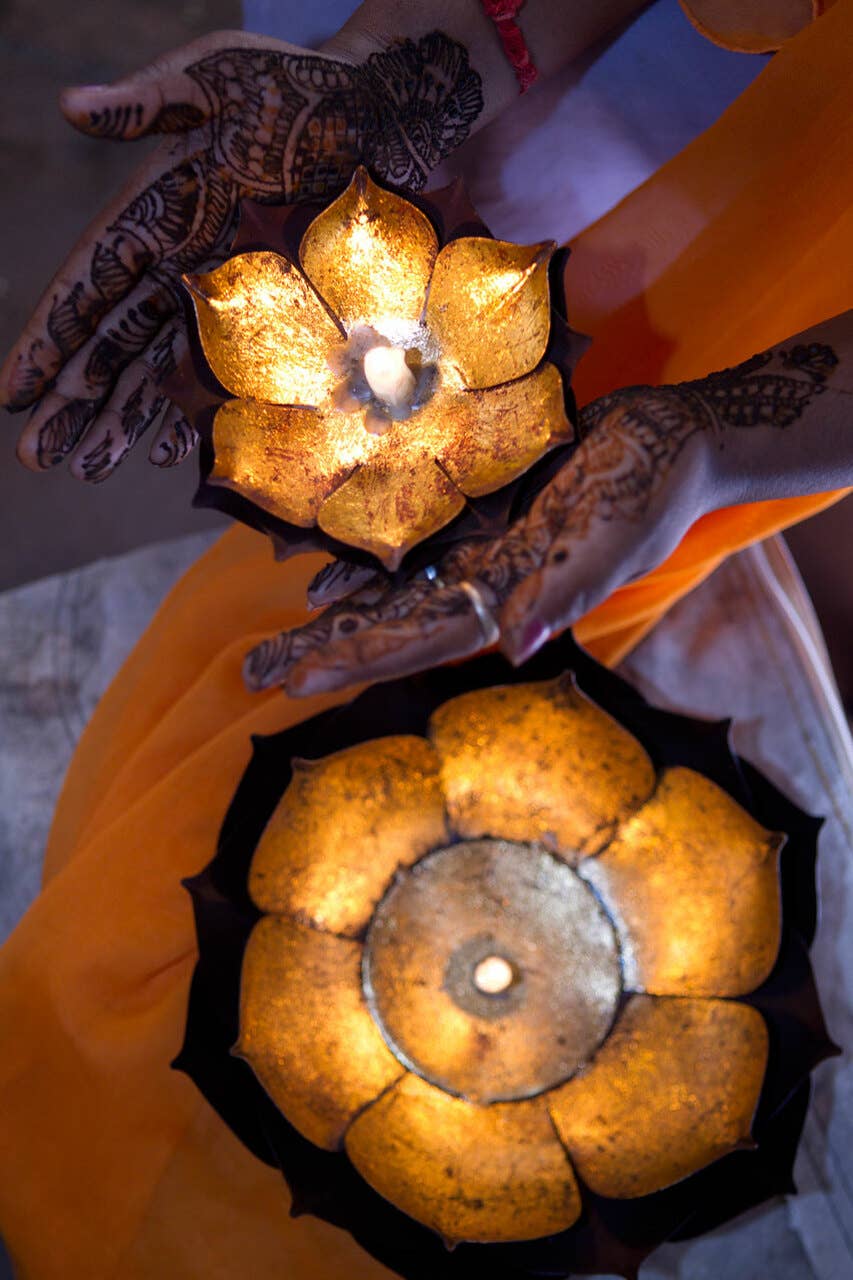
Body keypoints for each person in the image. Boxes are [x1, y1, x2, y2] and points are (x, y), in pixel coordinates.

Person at [0, 2, 851, 1276]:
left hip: (754, 298)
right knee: (276, 689)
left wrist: (715, 437)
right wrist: (411, 72)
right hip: (688, 232)